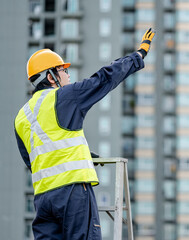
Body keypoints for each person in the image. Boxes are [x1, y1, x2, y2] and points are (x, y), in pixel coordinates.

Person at [14, 28, 155, 239]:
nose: (67, 75)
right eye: (62, 70)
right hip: (72, 193)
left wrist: (85, 155)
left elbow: (36, 157)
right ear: (51, 76)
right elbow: (104, 79)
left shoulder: (21, 117)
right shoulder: (64, 97)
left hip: (43, 199)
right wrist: (138, 55)